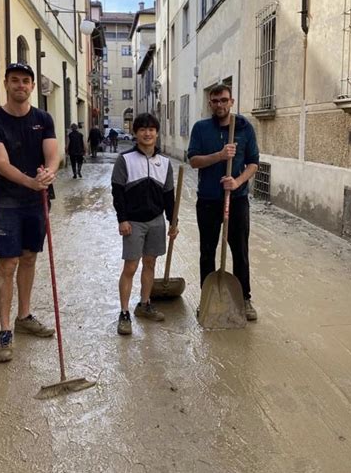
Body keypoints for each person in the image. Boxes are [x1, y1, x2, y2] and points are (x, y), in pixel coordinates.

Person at [0, 62, 60, 363]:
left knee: (29, 258)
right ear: (6, 84)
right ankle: (4, 331)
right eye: (15, 80)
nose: (21, 86)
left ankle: (23, 317)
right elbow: (1, 163)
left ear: (32, 86)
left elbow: (53, 153)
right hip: (10, 201)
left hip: (38, 201)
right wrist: (31, 182)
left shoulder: (43, 118)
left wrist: (48, 175)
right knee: (8, 264)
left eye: (26, 81)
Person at [187, 83, 259, 321]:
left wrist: (237, 182)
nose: (219, 104)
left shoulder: (245, 127)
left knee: (240, 252)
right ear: (210, 103)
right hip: (208, 200)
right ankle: (207, 299)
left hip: (236, 201)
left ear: (232, 101)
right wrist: (219, 156)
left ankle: (244, 299)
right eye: (215, 101)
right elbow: (194, 161)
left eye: (224, 100)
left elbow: (253, 163)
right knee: (207, 252)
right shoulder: (200, 128)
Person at [111, 113, 179, 336]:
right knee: (130, 267)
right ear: (135, 133)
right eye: (142, 129)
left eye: (151, 129)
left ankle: (144, 304)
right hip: (133, 222)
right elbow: (118, 193)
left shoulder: (165, 162)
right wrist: (122, 219)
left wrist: (173, 222)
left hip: (156, 221)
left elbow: (170, 196)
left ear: (157, 133)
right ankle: (124, 313)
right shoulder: (125, 160)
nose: (147, 133)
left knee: (150, 264)